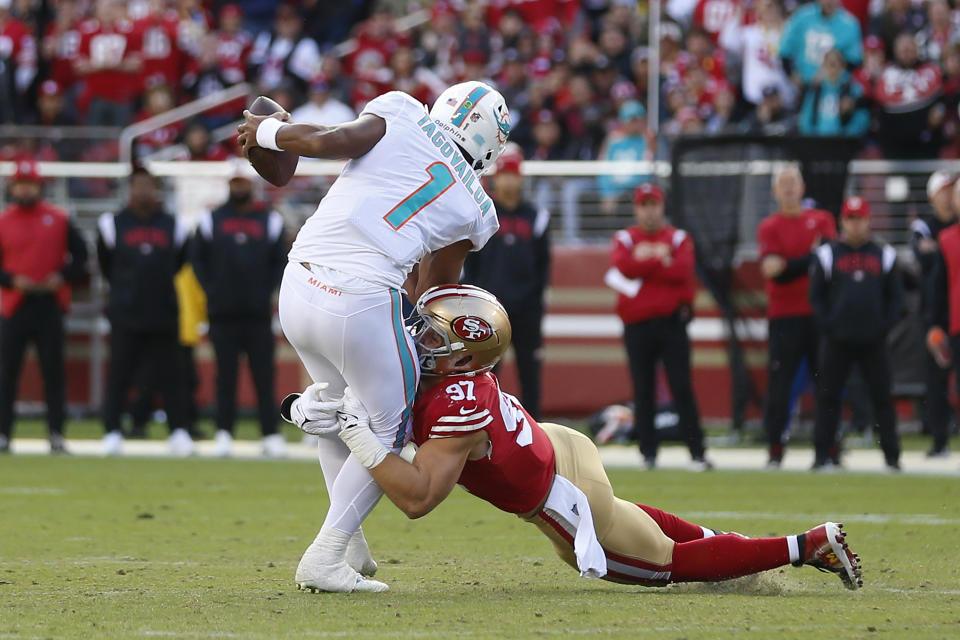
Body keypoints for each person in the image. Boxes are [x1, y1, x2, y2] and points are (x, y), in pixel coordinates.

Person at [288, 284, 863, 592]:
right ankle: (730, 543)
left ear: (464, 355)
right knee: (636, 521)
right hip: (561, 447)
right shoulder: (456, 376)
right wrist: (324, 409)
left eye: (430, 335)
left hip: (563, 497)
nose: (415, 339)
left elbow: (417, 498)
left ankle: (805, 544)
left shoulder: (455, 398)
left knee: (665, 566)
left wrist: (358, 435)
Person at [237, 80, 511, 593]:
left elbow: (324, 142)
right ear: (492, 143)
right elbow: (435, 291)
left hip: (298, 283)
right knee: (385, 428)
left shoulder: (403, 111)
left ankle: (349, 544)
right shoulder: (477, 205)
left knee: (343, 414)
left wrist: (267, 131)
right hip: (360, 298)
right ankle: (327, 553)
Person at [607, 183, 710, 471]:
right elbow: (625, 267)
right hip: (637, 324)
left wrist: (648, 260)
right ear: (636, 208)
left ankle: (697, 452)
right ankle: (648, 452)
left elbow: (682, 269)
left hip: (671, 322)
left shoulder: (678, 237)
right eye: (644, 205)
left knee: (682, 387)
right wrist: (661, 259)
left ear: (662, 207)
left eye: (654, 205)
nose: (650, 211)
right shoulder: (625, 238)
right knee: (643, 388)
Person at [191, 165, 288, 458]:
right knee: (225, 376)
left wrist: (264, 293)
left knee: (263, 376)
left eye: (243, 182)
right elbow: (197, 260)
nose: (238, 187)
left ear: (252, 185)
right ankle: (223, 431)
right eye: (234, 182)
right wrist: (213, 290)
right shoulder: (210, 219)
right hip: (222, 313)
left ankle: (270, 433)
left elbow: (279, 264)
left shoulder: (270, 220)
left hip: (257, 313)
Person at [97, 168, 189, 457]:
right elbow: (106, 265)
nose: (143, 191)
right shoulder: (112, 223)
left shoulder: (175, 224)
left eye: (149, 186)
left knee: (172, 375)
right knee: (119, 374)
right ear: (129, 189)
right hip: (125, 312)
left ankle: (178, 430)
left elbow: (180, 262)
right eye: (138, 185)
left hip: (163, 311)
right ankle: (112, 430)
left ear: (158, 190)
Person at [809, 196, 903, 471]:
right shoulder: (827, 254)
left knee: (883, 398)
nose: (855, 224)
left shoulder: (884, 254)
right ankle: (822, 456)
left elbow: (896, 299)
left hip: (873, 340)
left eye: (859, 218)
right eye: (850, 218)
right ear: (842, 221)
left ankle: (892, 457)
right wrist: (830, 325)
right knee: (828, 397)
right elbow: (816, 297)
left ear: (868, 220)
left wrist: (882, 326)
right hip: (836, 339)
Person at [0, 160, 87, 454]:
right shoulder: (3, 221)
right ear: (13, 187)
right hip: (14, 304)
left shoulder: (58, 219)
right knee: (6, 373)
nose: (25, 188)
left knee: (53, 372)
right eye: (20, 184)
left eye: (30, 184)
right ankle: (3, 434)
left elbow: (81, 258)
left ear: (39, 186)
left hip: (49, 304)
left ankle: (56, 433)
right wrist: (12, 280)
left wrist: (60, 277)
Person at [757, 166, 837, 467]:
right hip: (784, 315)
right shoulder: (769, 226)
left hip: (819, 314)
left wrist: (791, 264)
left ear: (803, 187)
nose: (789, 188)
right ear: (776, 191)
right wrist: (811, 257)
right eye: (783, 183)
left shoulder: (822, 219)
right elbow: (771, 270)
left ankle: (828, 449)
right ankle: (775, 448)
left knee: (827, 383)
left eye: (793, 182)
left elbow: (830, 259)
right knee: (780, 383)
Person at [462, 146, 549, 419]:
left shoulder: (536, 217)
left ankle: (535, 429)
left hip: (526, 310)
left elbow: (543, 267)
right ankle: (484, 425)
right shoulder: (484, 213)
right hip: (489, 311)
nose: (509, 180)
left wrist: (534, 304)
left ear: (521, 177)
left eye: (514, 174)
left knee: (530, 373)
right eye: (505, 174)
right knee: (485, 374)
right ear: (496, 177)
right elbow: (470, 264)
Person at [912, 172, 956, 457]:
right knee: (936, 378)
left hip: (955, 307)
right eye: (944, 190)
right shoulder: (925, 226)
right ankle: (939, 440)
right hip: (937, 311)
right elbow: (923, 256)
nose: (949, 196)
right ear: (932, 196)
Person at [780, 0, 863, 85]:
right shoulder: (803, 16)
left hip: (834, 87)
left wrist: (832, 74)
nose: (828, 2)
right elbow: (785, 50)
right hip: (803, 85)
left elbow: (854, 60)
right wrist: (792, 74)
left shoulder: (849, 24)